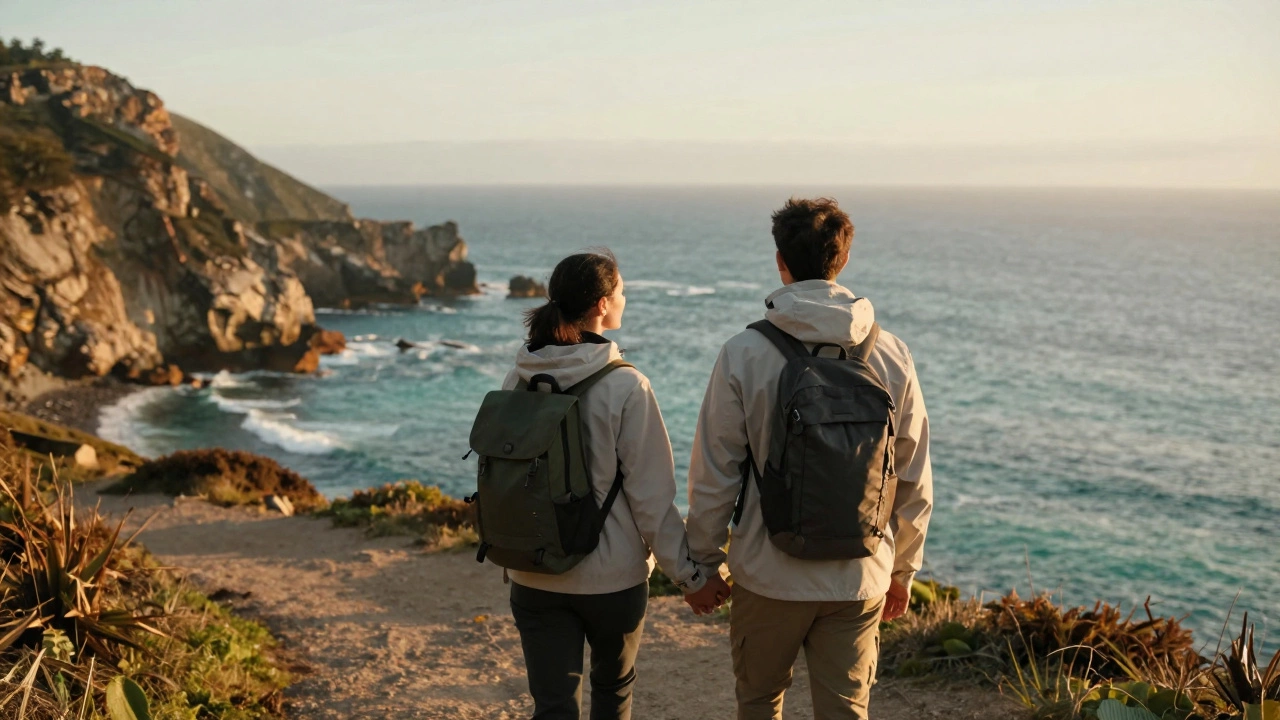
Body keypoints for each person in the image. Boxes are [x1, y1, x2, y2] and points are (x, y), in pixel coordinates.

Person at [684, 198, 934, 720]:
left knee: (758, 702)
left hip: (768, 569)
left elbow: (715, 473)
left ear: (781, 260)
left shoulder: (744, 353)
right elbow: (911, 471)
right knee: (846, 711)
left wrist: (703, 565)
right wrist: (903, 568)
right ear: (842, 259)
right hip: (860, 571)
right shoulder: (890, 351)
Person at [503, 250, 730, 720]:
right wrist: (691, 578)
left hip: (533, 568)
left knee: (551, 707)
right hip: (612, 581)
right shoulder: (626, 386)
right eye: (622, 291)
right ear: (603, 304)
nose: (625, 298)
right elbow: (652, 501)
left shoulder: (519, 377)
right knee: (613, 696)